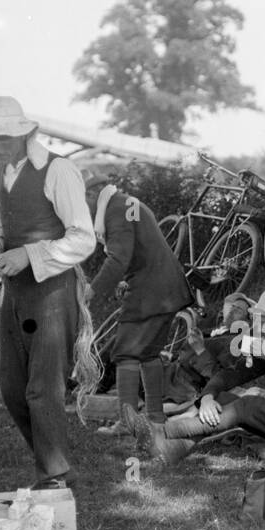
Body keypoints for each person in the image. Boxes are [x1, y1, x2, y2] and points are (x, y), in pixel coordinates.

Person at [0, 95, 96, 489]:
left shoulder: (59, 171)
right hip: (15, 292)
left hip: (54, 292)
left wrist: (30, 254)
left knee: (44, 388)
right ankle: (51, 459)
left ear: (25, 133)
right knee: (12, 388)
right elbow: (0, 223)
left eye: (3, 137)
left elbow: (83, 239)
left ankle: (54, 476)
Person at [134, 289, 265, 465]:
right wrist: (208, 396)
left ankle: (163, 431)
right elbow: (234, 373)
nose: (258, 328)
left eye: (263, 323)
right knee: (222, 398)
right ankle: (171, 450)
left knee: (249, 404)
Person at [84, 182, 194, 432]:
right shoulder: (127, 202)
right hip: (167, 287)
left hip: (150, 290)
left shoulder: (116, 209)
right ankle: (155, 418)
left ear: (93, 194)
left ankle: (127, 422)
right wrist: (126, 279)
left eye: (82, 200)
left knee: (126, 353)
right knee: (149, 354)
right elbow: (140, 252)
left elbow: (117, 258)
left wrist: (92, 290)